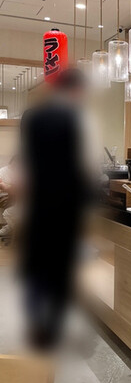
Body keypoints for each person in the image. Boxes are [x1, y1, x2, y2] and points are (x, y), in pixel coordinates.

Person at [18, 68, 93, 349]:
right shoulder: (74, 119)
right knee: (60, 267)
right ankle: (52, 326)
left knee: (37, 264)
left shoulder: (32, 117)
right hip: (65, 204)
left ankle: (37, 325)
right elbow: (79, 165)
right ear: (75, 90)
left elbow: (29, 159)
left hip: (39, 202)